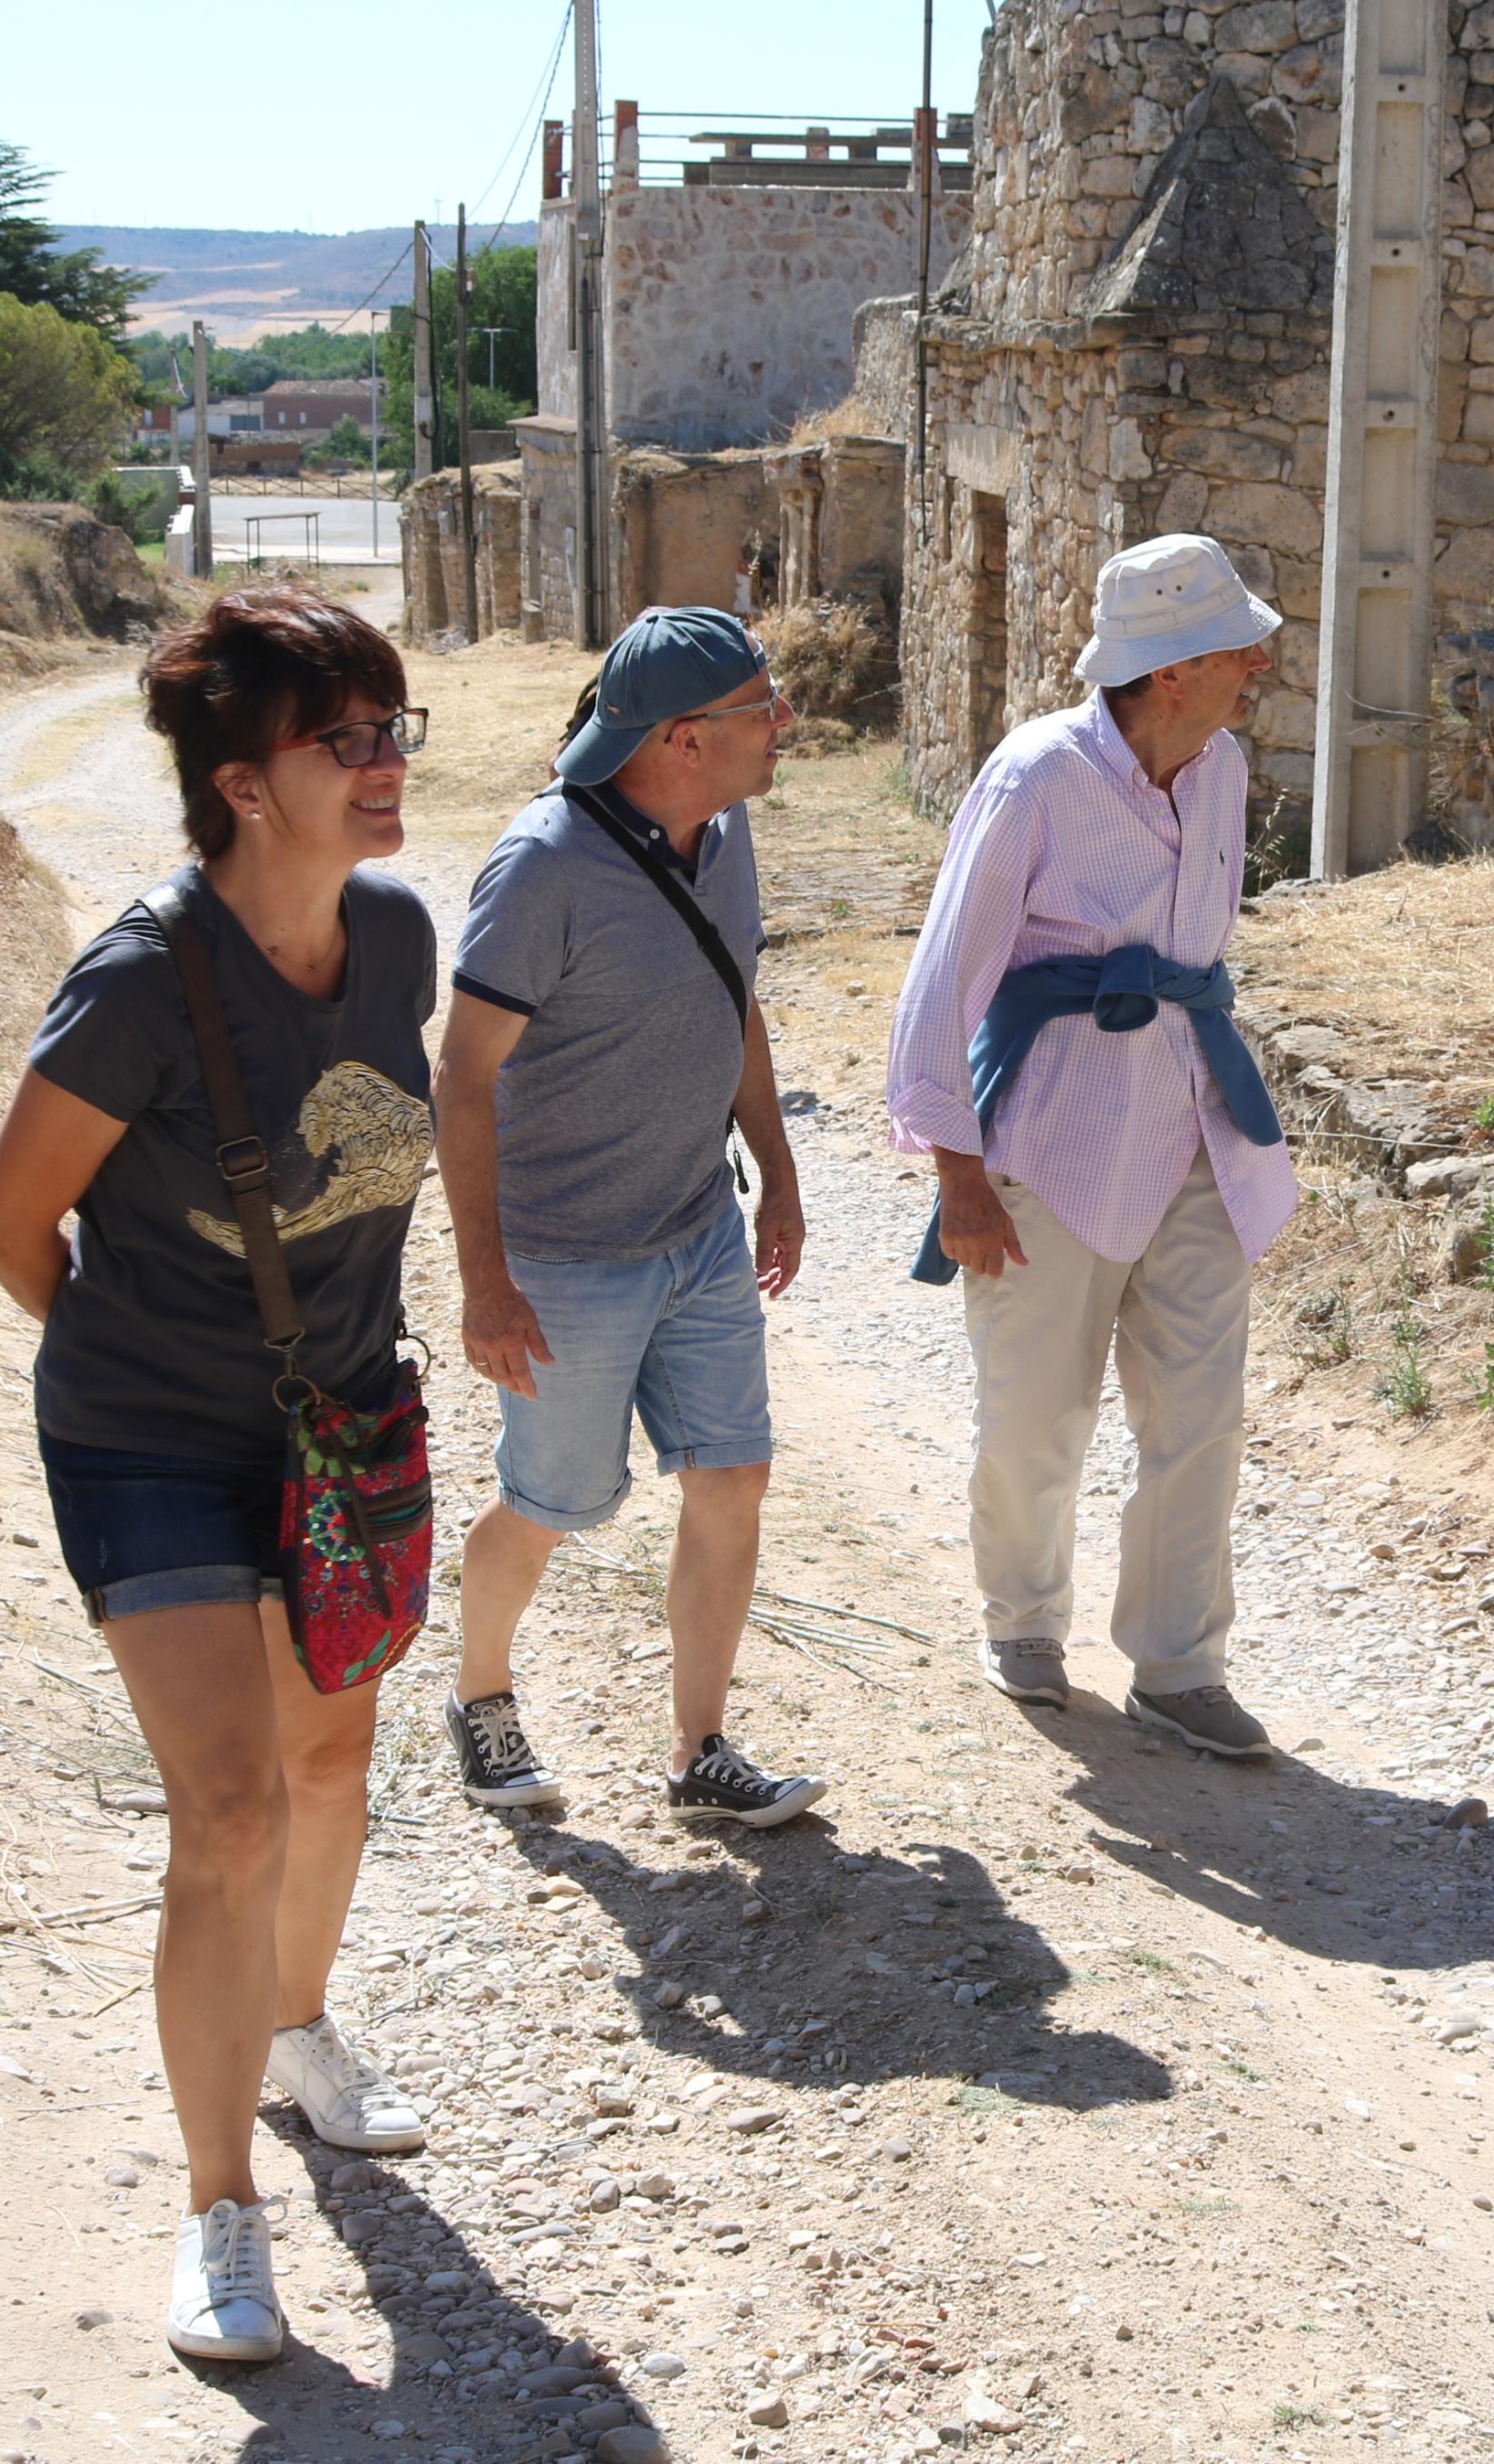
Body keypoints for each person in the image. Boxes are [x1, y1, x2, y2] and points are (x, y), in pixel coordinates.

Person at [0, 584, 440, 2362]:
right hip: (145, 1437)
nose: (389, 763)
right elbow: (12, 1227)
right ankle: (217, 2204)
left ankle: (296, 2032)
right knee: (228, 1808)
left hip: (338, 1426)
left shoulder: (395, 941)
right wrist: (144, 1360)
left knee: (330, 1765)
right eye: (352, 738)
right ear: (246, 785)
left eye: (396, 728)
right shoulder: (140, 985)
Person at [887, 534, 1299, 1763]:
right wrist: (956, 1168)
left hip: (1191, 1127)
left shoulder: (1219, 766)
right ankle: (1021, 1618)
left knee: (1200, 1412)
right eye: (1237, 643)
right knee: (1034, 1406)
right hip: (1050, 1141)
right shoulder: (1034, 778)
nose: (1259, 659)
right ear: (1166, 669)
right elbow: (945, 972)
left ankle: (1177, 1664)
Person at [432, 605, 827, 1827]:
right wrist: (486, 1282)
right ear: (680, 737)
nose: (786, 726)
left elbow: (736, 999)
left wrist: (776, 1166)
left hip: (696, 1224)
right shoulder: (543, 866)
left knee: (732, 1475)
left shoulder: (724, 827)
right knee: (551, 1502)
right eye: (763, 708)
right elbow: (461, 1075)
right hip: (566, 1258)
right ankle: (479, 1694)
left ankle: (699, 1744)